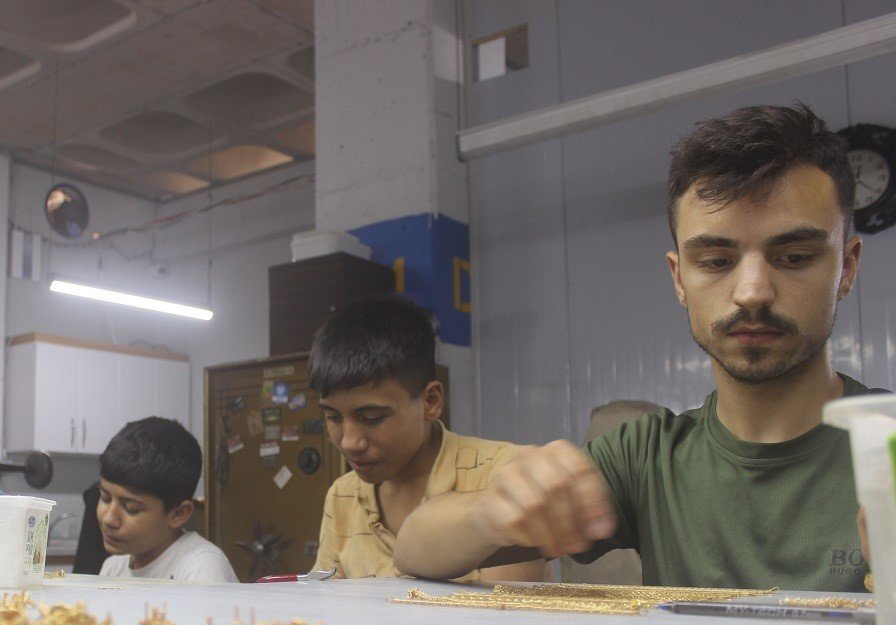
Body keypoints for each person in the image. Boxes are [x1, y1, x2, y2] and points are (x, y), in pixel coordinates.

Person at [396, 103, 878, 592]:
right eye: (714, 261)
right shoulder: (647, 457)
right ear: (679, 279)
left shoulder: (889, 445)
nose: (752, 291)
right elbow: (414, 547)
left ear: (848, 268)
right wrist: (490, 512)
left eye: (794, 257)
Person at [309, 295, 546, 582]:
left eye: (371, 418)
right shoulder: (342, 496)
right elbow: (326, 607)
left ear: (431, 401)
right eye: (333, 417)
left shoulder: (503, 475)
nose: (349, 442)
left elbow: (505, 613)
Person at [97, 417, 237, 582]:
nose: (108, 519)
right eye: (105, 498)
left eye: (131, 508)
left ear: (178, 514)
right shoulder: (112, 568)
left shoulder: (202, 568)